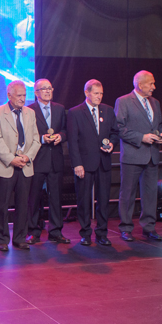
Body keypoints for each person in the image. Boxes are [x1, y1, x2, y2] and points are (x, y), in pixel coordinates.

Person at [115, 70, 162, 242]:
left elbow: (159, 124)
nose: (154, 87)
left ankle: (149, 227)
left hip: (152, 155)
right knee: (128, 194)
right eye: (151, 83)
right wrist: (141, 137)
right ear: (140, 84)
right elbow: (119, 128)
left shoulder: (155, 102)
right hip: (133, 155)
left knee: (151, 194)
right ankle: (126, 228)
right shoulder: (123, 101)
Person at [0, 80, 41, 251]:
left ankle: (20, 238)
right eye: (19, 95)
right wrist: (11, 159)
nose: (22, 99)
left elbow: (36, 139)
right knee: (2, 205)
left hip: (25, 166)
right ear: (9, 95)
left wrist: (27, 157)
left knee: (23, 205)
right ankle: (2, 239)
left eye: (24, 95)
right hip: (5, 166)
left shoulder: (30, 113)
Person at [68, 80, 119, 246]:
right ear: (87, 93)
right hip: (84, 163)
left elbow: (115, 133)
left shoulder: (108, 110)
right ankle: (85, 233)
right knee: (83, 200)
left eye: (101, 93)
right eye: (96, 93)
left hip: (103, 162)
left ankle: (102, 233)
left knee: (103, 200)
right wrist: (77, 164)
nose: (99, 96)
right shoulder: (75, 112)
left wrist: (112, 144)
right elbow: (72, 141)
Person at [26, 78, 69, 245]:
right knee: (34, 198)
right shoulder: (29, 110)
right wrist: (41, 139)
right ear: (36, 92)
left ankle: (56, 231)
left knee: (56, 198)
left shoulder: (59, 108)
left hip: (55, 159)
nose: (47, 91)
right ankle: (33, 231)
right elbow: (26, 135)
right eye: (44, 89)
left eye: (49, 88)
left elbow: (65, 130)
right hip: (37, 159)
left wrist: (61, 136)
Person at [13, 0, 35, 83]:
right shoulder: (19, 26)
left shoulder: (48, 25)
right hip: (22, 79)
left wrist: (33, 46)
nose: (27, 2)